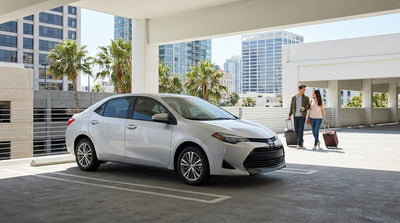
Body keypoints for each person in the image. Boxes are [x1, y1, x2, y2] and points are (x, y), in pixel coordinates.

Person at [288, 85, 310, 149]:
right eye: (303, 89)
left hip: (302, 116)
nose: (304, 91)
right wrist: (289, 115)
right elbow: (291, 107)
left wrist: (305, 108)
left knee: (301, 130)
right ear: (299, 89)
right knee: (296, 130)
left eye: (305, 89)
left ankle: (299, 144)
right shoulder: (294, 97)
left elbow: (309, 106)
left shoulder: (306, 98)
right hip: (295, 116)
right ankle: (301, 140)